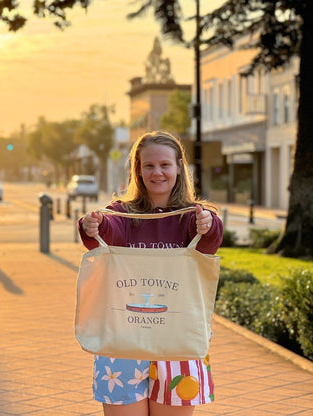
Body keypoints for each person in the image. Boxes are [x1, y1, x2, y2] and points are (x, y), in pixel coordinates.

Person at [78, 131, 223, 416]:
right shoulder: (122, 213)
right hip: (122, 344)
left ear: (179, 167)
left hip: (179, 344)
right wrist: (91, 224)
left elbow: (211, 241)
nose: (157, 172)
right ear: (138, 171)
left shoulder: (193, 217)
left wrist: (209, 223)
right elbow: (105, 230)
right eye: (149, 165)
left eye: (165, 165)